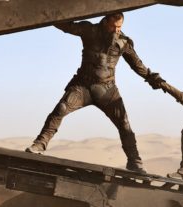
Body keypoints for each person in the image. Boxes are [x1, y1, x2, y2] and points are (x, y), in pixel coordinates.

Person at [25, 12, 165, 174]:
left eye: (119, 27)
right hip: (82, 86)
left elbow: (137, 64)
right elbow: (66, 26)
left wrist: (151, 78)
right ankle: (40, 144)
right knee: (61, 109)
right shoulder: (88, 30)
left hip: (107, 90)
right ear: (105, 21)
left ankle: (134, 162)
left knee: (124, 124)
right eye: (114, 26)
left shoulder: (124, 42)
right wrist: (47, 12)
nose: (117, 30)